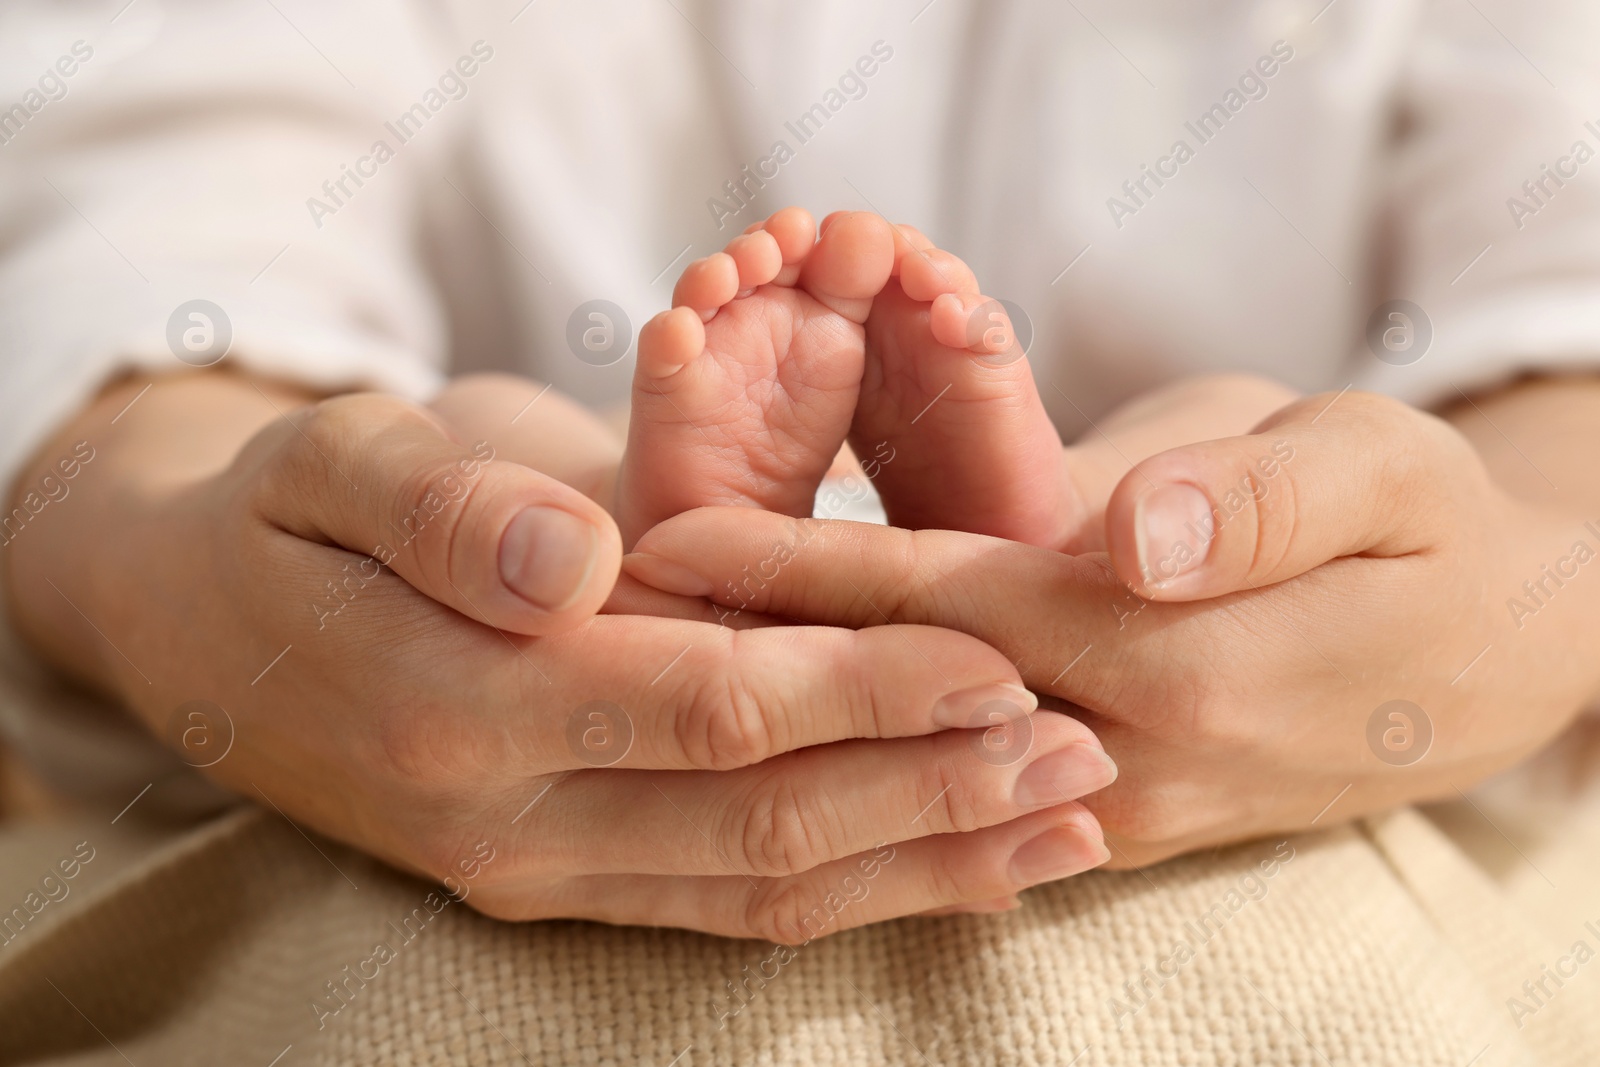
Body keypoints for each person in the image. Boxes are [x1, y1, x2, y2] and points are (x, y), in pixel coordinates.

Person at [3, 2, 1600, 1063]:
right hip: (435, 745)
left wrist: (1505, 573)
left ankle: (1075, 523)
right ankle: (621, 527)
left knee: (1235, 465)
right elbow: (142, 265)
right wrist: (200, 552)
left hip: (1343, 769)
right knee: (483, 471)